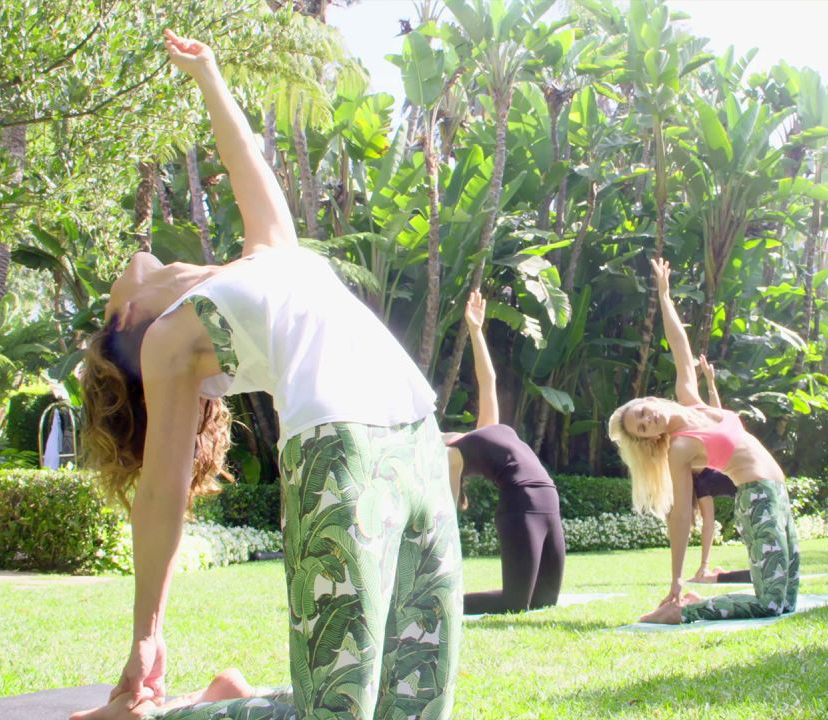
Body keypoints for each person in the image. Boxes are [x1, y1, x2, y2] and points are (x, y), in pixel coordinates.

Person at [74, 31, 461, 720]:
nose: (129, 271)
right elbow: (162, 495)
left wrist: (209, 76)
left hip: (418, 438)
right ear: (125, 325)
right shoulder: (167, 342)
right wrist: (147, 637)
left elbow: (245, 158)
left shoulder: (262, 253)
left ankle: (231, 701)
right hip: (337, 450)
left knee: (416, 706)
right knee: (341, 713)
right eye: (108, 311)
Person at [609, 258, 799, 624]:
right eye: (644, 427)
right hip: (756, 498)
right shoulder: (680, 446)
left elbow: (680, 347)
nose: (649, 420)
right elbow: (680, 515)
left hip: (778, 493)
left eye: (643, 413)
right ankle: (681, 611)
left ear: (650, 400)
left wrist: (664, 295)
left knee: (787, 599)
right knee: (773, 605)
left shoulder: (691, 400)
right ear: (653, 438)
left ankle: (689, 603)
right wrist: (677, 577)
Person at [445, 290, 566, 615]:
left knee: (545, 601)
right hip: (520, 507)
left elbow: (489, 379)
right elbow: (448, 517)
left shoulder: (485, 429)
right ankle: (443, 604)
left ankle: (452, 601)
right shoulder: (450, 456)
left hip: (548, 501)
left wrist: (475, 329)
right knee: (515, 605)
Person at [688, 356, 750, 585]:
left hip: (750, 483)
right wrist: (703, 565)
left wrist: (710, 381)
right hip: (744, 490)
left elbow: (718, 414)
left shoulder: (712, 452)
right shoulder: (701, 481)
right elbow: (709, 522)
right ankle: (712, 572)